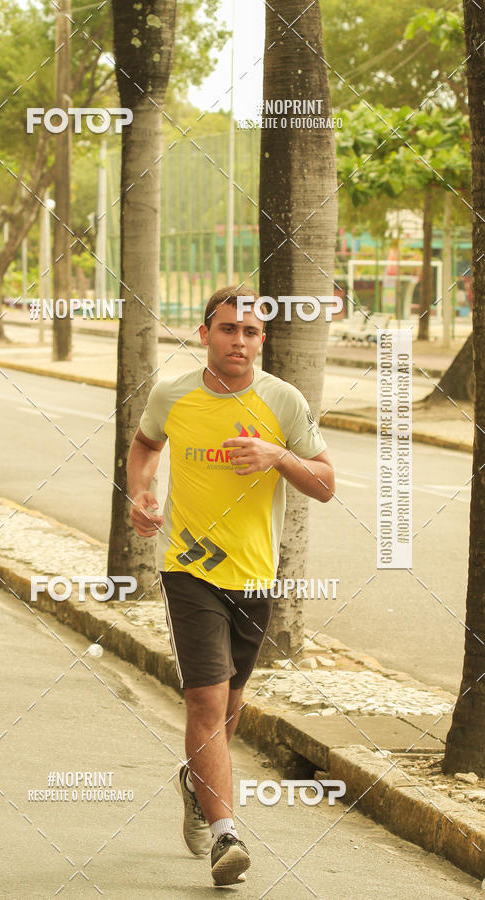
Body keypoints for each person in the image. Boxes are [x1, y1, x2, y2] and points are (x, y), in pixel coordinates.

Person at [127, 285, 335, 886]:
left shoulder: (284, 403)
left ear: (262, 339)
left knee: (229, 707)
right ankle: (227, 837)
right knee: (206, 702)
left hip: (253, 575)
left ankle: (197, 783)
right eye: (226, 329)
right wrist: (141, 491)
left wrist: (277, 456)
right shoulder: (175, 393)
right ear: (204, 334)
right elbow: (145, 446)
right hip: (189, 568)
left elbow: (324, 484)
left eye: (249, 332)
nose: (237, 341)